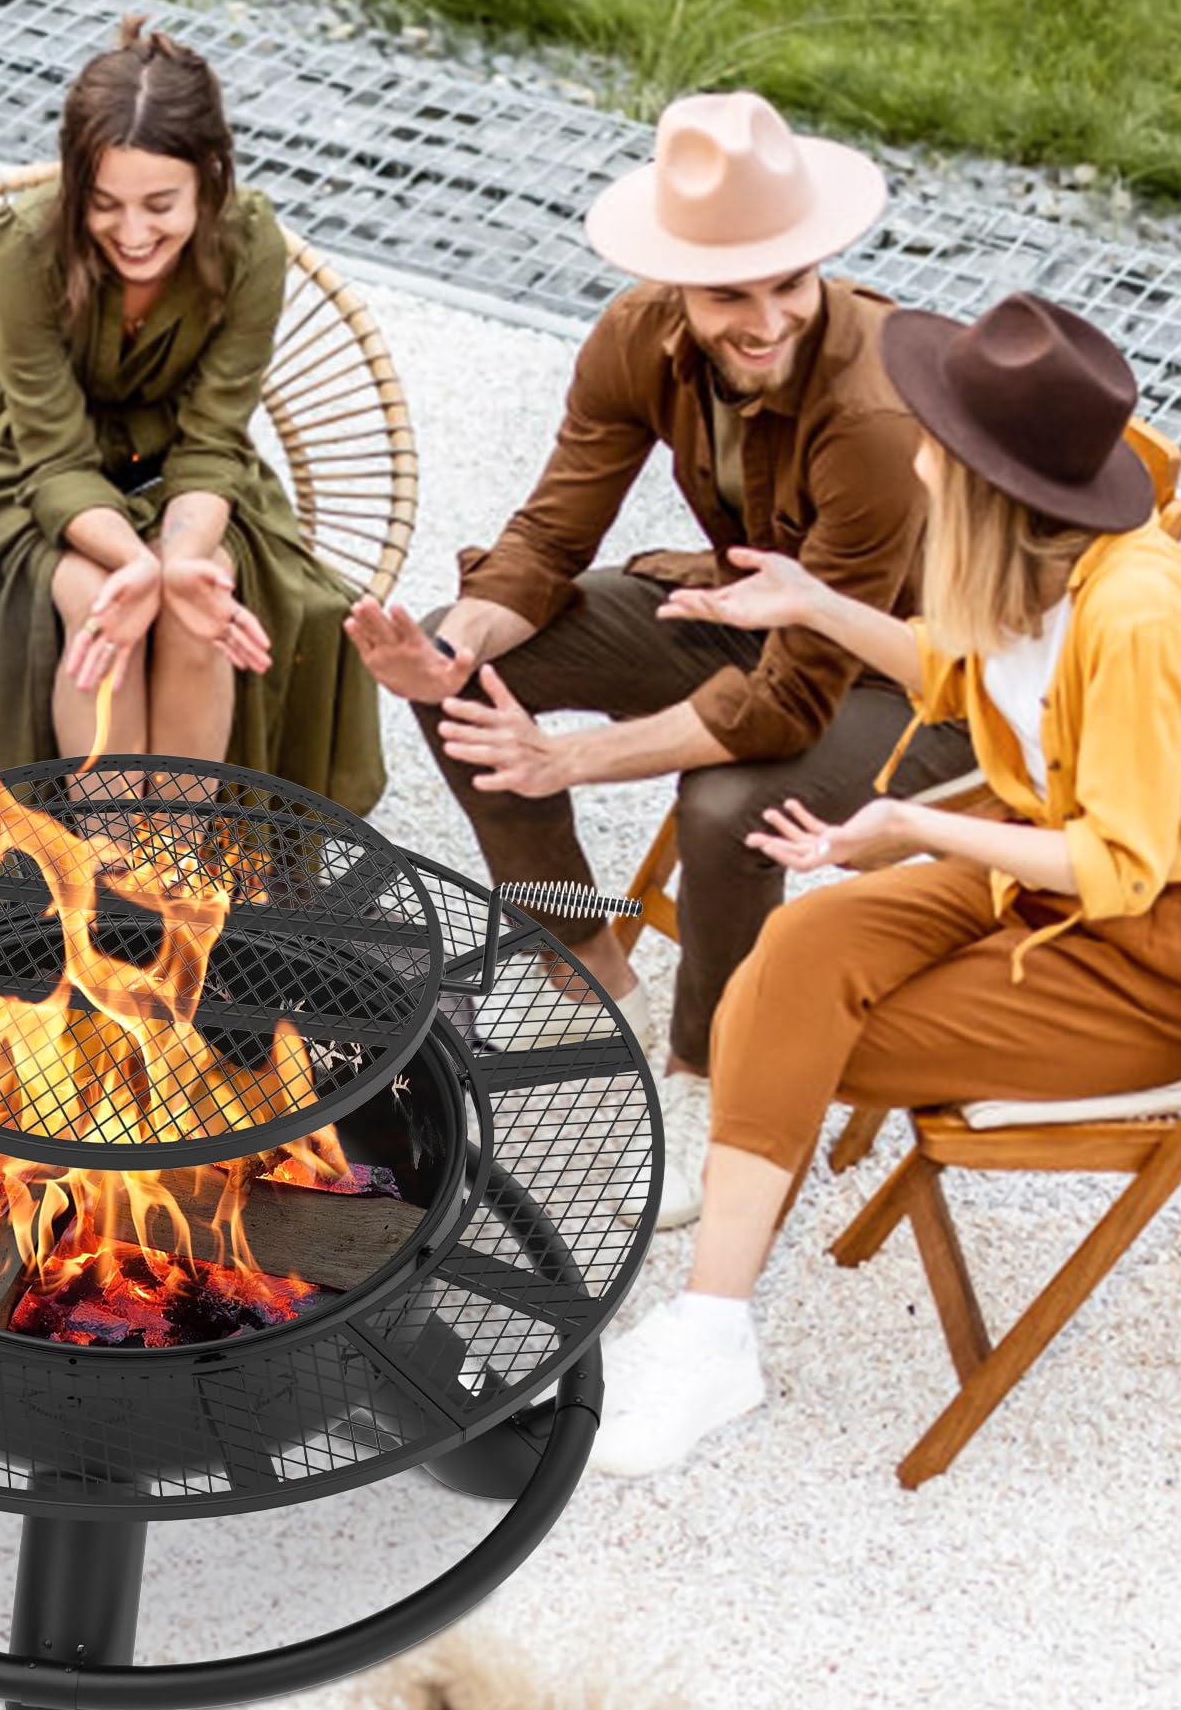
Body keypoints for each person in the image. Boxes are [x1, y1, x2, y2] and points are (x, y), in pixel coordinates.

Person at [343, 90, 974, 1225]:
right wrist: (447, 650)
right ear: (679, 283)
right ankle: (578, 961)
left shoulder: (871, 410)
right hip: (750, 607)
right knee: (470, 676)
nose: (768, 317)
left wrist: (569, 764)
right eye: (731, 291)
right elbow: (545, 539)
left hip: (921, 686)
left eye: (792, 281)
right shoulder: (638, 338)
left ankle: (708, 1078)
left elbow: (789, 699)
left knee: (728, 800)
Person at [589, 292, 1181, 1476]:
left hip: (1144, 949)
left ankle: (712, 1313)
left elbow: (1120, 864)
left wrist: (910, 823)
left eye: (931, 434)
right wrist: (813, 603)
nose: (909, 444)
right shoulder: (1015, 560)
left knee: (814, 1041)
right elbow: (970, 681)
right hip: (1034, 863)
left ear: (983, 477)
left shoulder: (1136, 615)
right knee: (791, 964)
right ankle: (713, 1332)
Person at [0, 18, 383, 812]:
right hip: (23, 467)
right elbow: (54, 457)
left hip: (177, 467)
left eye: (161, 205)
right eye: (105, 205)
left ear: (210, 175)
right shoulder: (29, 240)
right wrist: (131, 564)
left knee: (201, 599)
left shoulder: (250, 243)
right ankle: (106, 857)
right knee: (96, 602)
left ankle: (173, 866)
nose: (133, 235)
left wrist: (174, 562)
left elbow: (214, 440)